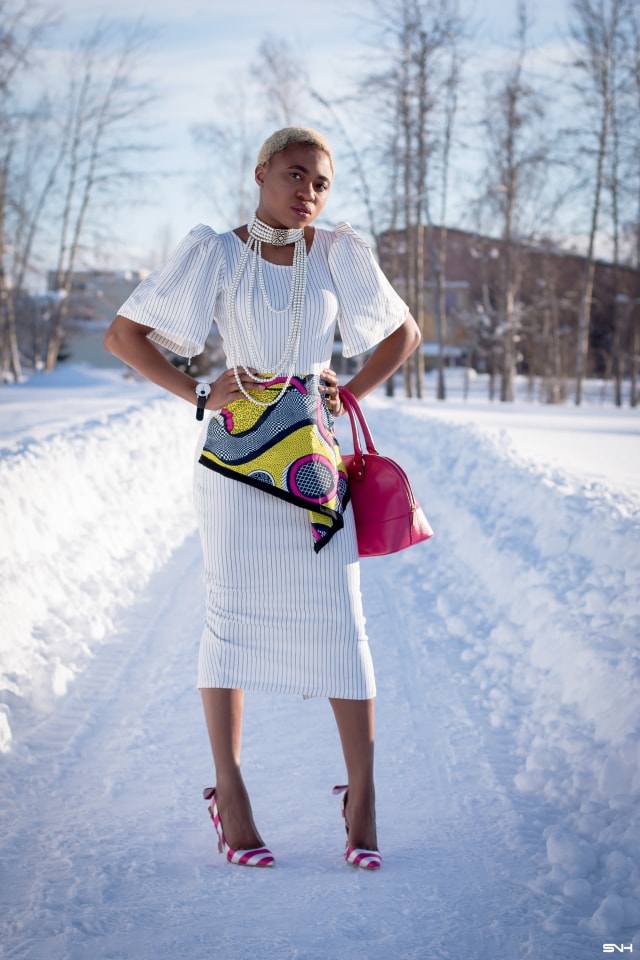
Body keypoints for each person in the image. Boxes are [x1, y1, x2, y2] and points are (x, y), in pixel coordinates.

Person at [104, 126, 420, 870]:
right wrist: (196, 392)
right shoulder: (215, 251)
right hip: (234, 461)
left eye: (321, 183)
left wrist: (349, 395)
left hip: (311, 458)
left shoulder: (339, 253)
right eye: (295, 175)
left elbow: (403, 333)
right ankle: (232, 794)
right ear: (261, 174)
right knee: (230, 621)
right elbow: (124, 335)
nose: (308, 193)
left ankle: (364, 798)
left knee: (343, 624)